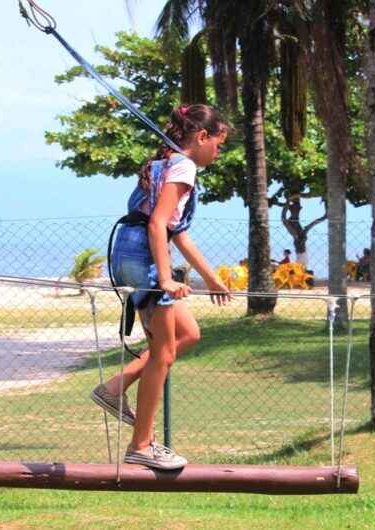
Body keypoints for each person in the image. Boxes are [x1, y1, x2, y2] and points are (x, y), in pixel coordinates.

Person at [90, 104, 231, 470]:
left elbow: (176, 231)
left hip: (128, 252)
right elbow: (157, 225)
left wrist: (211, 276)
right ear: (201, 137)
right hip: (144, 258)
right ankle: (141, 445)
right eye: (218, 144)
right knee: (164, 353)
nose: (218, 152)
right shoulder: (183, 166)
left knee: (188, 333)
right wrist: (166, 278)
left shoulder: (164, 163)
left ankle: (114, 387)